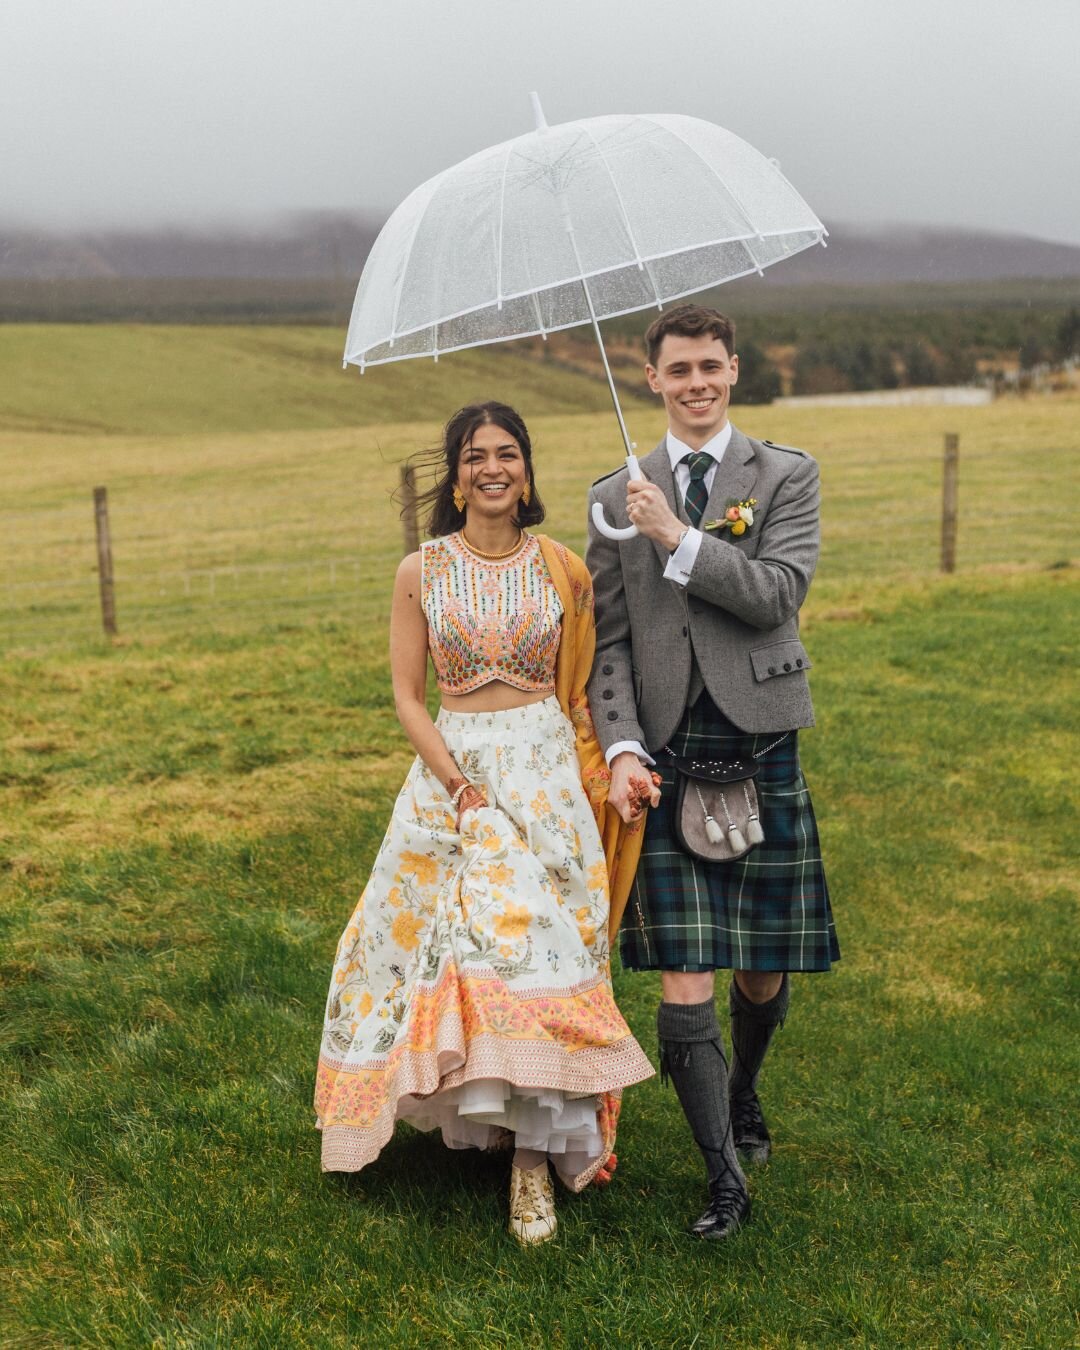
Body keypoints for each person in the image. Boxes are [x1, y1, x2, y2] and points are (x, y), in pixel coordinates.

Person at [315, 401, 654, 1247]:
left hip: (544, 773)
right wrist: (457, 784)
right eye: (475, 456)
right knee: (456, 946)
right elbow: (405, 696)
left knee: (546, 950)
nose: (492, 467)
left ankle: (532, 1161)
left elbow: (584, 687)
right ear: (456, 474)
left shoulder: (565, 569)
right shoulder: (419, 571)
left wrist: (608, 770)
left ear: (528, 471)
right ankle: (486, 1118)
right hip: (455, 772)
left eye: (508, 453)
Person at [586, 304, 840, 1240]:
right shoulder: (616, 491)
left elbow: (778, 593)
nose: (696, 383)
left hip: (761, 741)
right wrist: (618, 745)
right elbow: (610, 642)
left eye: (711, 366)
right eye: (678, 368)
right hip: (669, 759)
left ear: (734, 371)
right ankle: (722, 1177)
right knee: (684, 975)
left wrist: (679, 541)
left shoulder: (785, 474)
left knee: (764, 970)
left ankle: (743, 1089)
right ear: (650, 378)